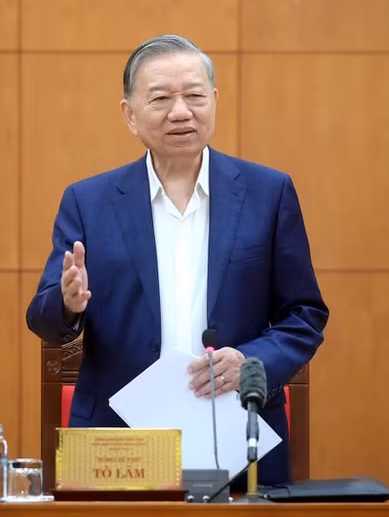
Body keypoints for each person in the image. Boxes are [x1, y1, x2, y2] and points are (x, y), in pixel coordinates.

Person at [26, 34, 328, 486]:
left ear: (214, 101)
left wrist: (250, 361)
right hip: (118, 444)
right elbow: (44, 319)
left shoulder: (269, 193)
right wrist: (69, 303)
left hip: (234, 435)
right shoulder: (89, 201)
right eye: (161, 98)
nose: (181, 111)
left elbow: (305, 315)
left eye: (194, 96)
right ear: (130, 114)